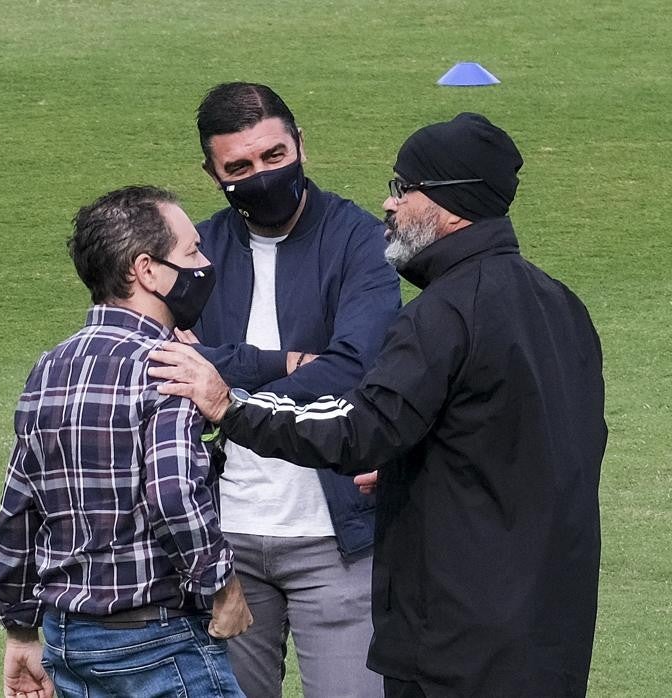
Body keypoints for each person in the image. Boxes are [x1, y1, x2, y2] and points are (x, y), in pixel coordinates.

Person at [149, 113, 607, 698]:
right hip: (547, 624)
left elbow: (356, 429)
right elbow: (511, 439)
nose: (388, 206)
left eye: (402, 188)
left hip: (458, 632)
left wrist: (230, 407)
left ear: (450, 206)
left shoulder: (443, 313)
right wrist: (403, 466)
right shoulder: (560, 303)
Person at [0, 186, 252, 698]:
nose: (204, 265)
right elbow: (173, 495)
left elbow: (18, 508)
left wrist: (20, 629)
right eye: (191, 251)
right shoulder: (170, 365)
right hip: (159, 641)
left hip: (69, 641)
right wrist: (223, 586)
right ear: (146, 270)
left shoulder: (49, 367)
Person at [180, 82, 400, 698]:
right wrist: (282, 362)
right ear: (213, 173)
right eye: (239, 168)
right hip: (223, 542)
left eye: (274, 156)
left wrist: (226, 390)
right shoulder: (194, 252)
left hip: (338, 537)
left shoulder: (362, 240)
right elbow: (169, 367)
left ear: (301, 145)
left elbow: (354, 366)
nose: (261, 175)